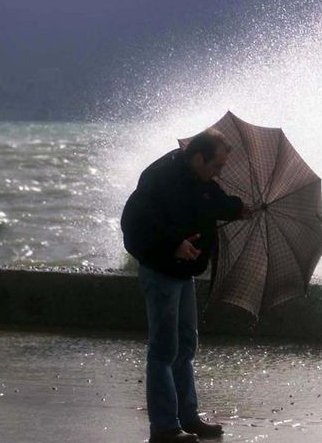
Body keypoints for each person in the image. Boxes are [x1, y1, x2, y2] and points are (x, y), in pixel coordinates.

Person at [121, 129, 250, 443]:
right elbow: (135, 223)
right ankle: (164, 428)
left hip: (184, 274)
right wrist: (173, 245)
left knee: (185, 347)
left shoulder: (199, 180)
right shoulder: (159, 177)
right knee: (163, 350)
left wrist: (241, 209)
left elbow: (214, 202)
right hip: (161, 271)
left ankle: (188, 418)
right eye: (216, 165)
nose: (218, 172)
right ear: (197, 157)